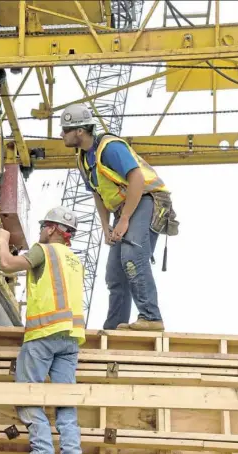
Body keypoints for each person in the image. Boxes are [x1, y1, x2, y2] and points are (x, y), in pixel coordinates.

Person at [59, 103, 179, 332]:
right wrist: (105, 227)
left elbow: (137, 179)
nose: (61, 134)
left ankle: (151, 317)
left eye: (65, 130)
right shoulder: (84, 159)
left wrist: (123, 220)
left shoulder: (109, 148)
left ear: (80, 131)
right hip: (124, 209)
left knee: (133, 253)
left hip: (147, 199)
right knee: (115, 271)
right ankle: (115, 326)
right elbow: (98, 193)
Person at [0, 206, 85, 454]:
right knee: (64, 398)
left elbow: (7, 265)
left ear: (50, 228)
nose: (39, 231)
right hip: (70, 339)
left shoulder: (43, 250)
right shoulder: (74, 259)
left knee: (28, 392)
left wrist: (1, 240)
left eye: (42, 227)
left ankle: (42, 452)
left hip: (43, 334)